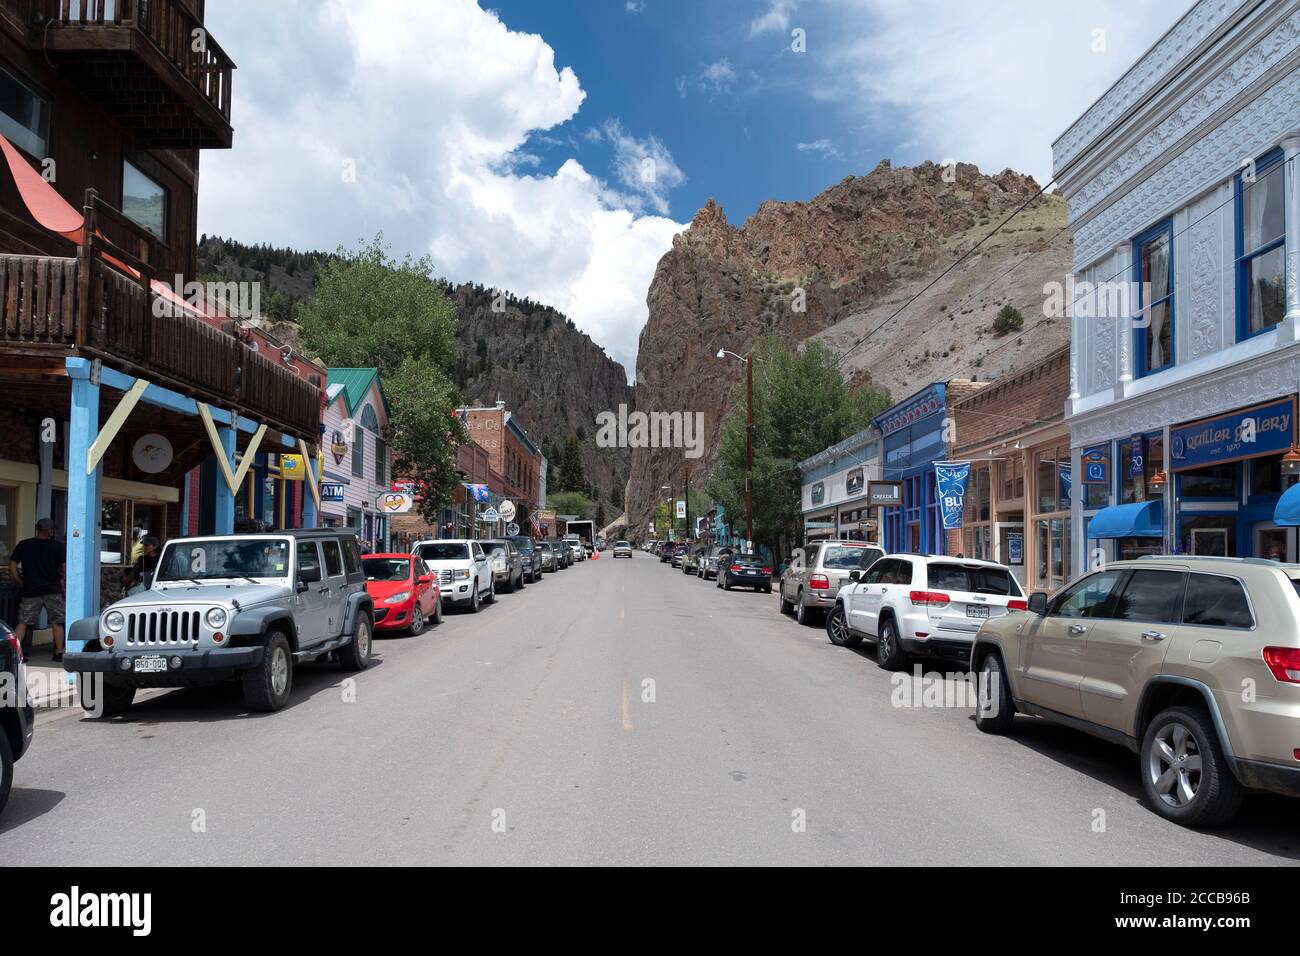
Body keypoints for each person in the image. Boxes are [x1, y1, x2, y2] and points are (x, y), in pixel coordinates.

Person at [9, 518, 66, 661]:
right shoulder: (58, 546)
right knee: (57, 622)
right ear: (50, 531)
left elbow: (12, 565)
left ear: (37, 529)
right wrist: (63, 579)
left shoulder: (24, 545)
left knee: (23, 622)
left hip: (31, 590)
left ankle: (15, 654)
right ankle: (59, 652)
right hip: (52, 590)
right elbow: (65, 567)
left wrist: (19, 580)